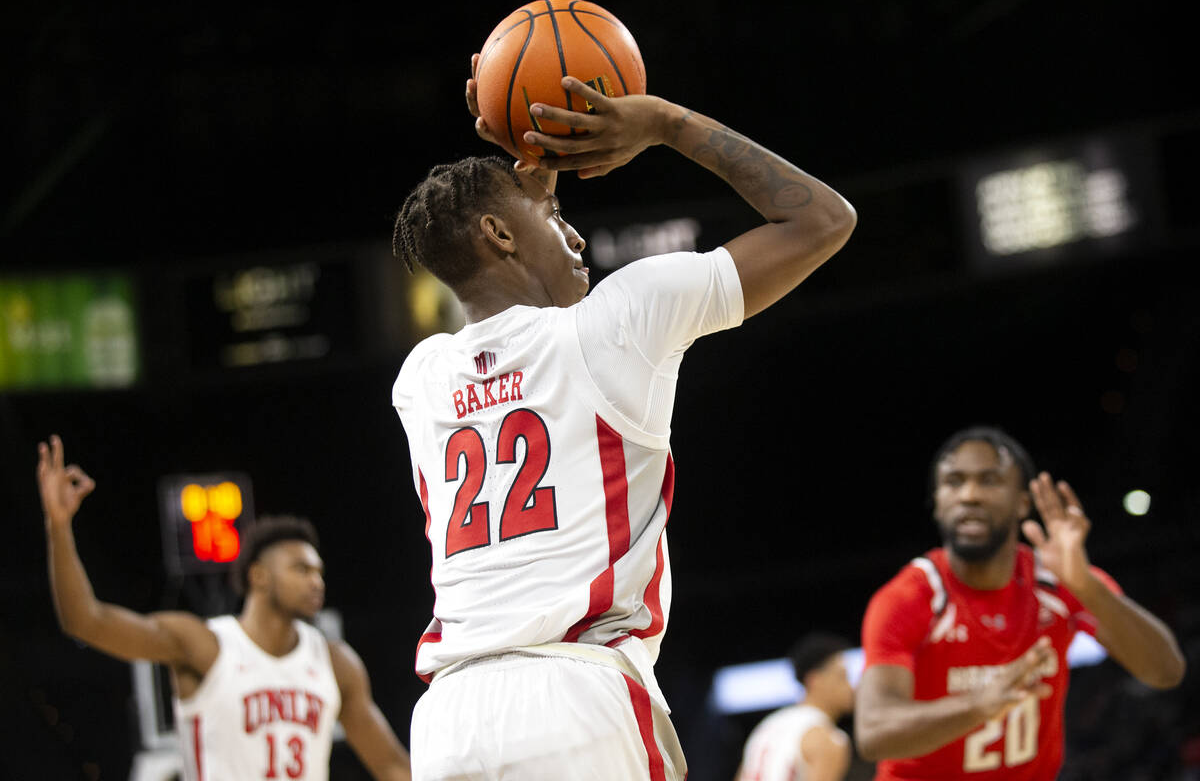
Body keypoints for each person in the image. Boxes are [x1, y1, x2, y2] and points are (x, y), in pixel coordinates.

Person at [389, 54, 857, 781]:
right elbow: (823, 219)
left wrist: (530, 169)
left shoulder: (420, 381)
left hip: (450, 722)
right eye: (554, 217)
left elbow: (501, 276)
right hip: (576, 693)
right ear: (501, 235)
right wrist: (664, 122)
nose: (576, 236)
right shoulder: (616, 323)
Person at [37, 435, 412, 781]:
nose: (316, 581)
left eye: (319, 571)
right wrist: (58, 525)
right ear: (260, 576)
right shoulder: (204, 646)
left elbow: (393, 766)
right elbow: (85, 620)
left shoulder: (336, 663)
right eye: (301, 569)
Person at [854, 425, 1186, 780]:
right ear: (937, 501)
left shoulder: (1060, 581)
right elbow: (874, 734)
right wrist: (979, 704)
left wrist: (1087, 586)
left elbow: (1165, 671)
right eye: (954, 481)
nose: (969, 495)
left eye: (990, 481)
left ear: (1023, 502)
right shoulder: (910, 597)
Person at [735, 632, 856, 781]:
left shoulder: (766, 727)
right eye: (842, 677)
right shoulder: (828, 738)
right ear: (815, 680)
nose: (851, 687)